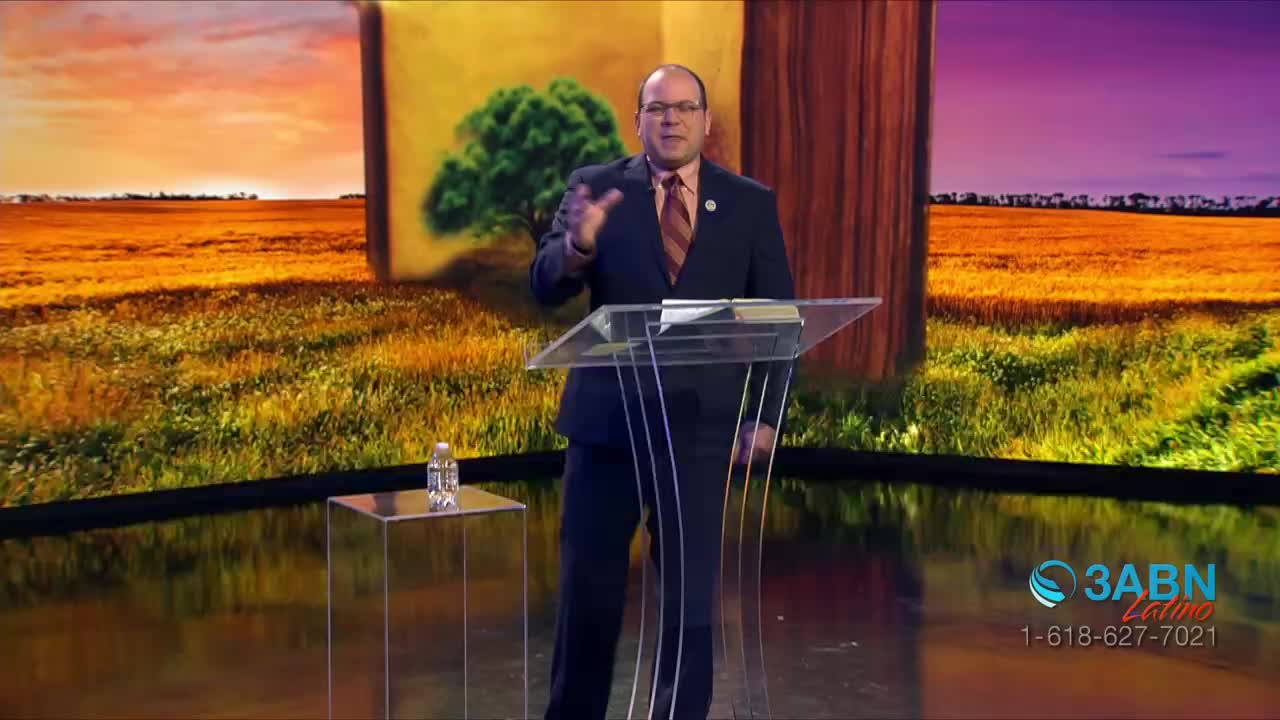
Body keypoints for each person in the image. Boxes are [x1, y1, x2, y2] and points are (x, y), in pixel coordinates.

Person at [530, 64, 795, 720]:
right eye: (657, 109)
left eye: (684, 108)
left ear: (706, 120)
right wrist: (576, 245)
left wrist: (764, 417)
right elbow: (544, 285)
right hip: (607, 428)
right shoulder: (596, 189)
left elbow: (781, 320)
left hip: (700, 431)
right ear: (638, 120)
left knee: (689, 602)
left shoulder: (748, 203)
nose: (671, 119)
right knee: (589, 595)